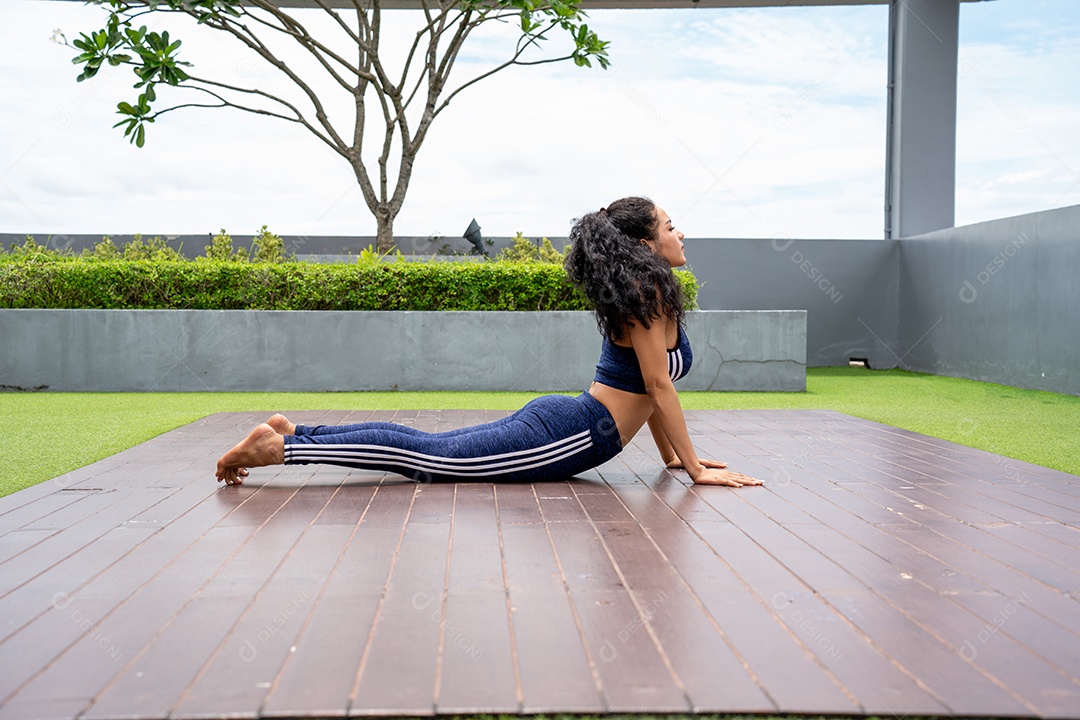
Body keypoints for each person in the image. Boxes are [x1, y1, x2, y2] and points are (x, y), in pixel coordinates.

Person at [215, 197, 761, 488]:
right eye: (671, 225)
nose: (680, 232)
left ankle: (297, 432)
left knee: (432, 446)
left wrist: (672, 459)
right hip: (575, 433)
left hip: (569, 421)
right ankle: (285, 448)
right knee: (431, 459)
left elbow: (652, 390)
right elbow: (657, 385)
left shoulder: (651, 289)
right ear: (646, 243)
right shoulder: (646, 290)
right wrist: (692, 467)